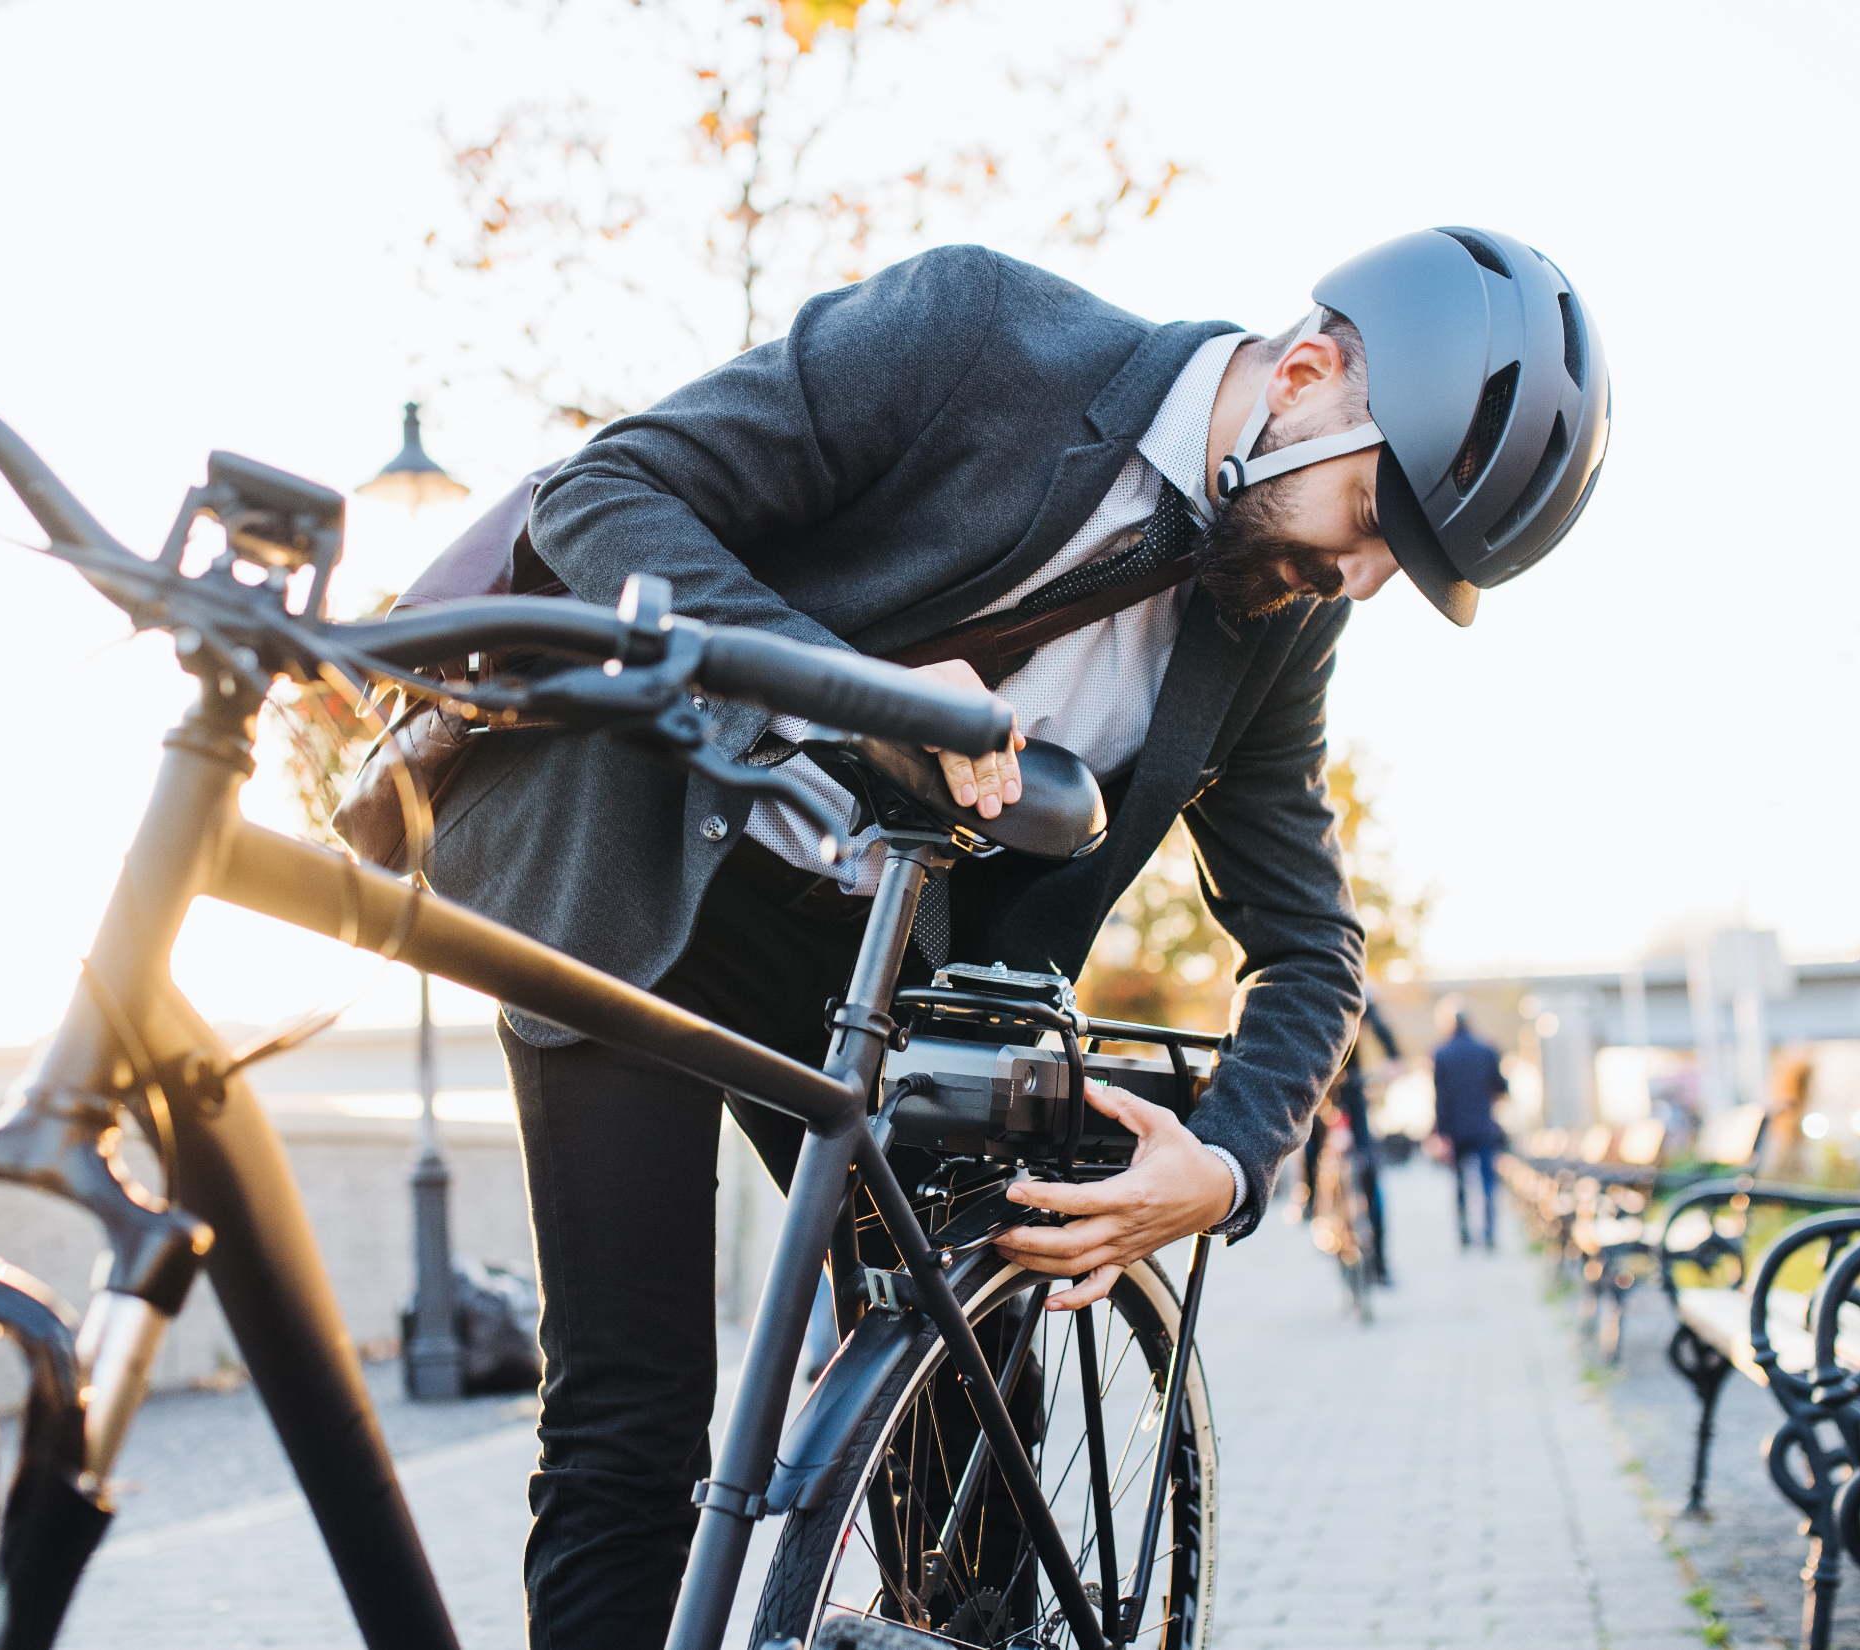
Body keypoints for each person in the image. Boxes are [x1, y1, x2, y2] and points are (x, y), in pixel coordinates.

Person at [423, 231, 1609, 1645]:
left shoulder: (1279, 620)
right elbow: (602, 499)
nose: (1359, 580)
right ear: (1306, 375)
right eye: (1369, 521)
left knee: (973, 1416)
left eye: (1396, 567)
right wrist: (850, 686)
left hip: (887, 965)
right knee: (630, 1414)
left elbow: (1310, 943)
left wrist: (1222, 1164)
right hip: (635, 870)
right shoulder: (974, 334)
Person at [1300, 998, 1397, 1284]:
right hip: (1316, 1089)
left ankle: (1378, 1259)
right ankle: (1311, 1201)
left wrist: (1393, 1060)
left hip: (1350, 1087)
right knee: (1311, 1145)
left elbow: (1382, 1031)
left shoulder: (1360, 993)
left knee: (1368, 1169)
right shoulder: (1301, 983)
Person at [1430, 1001, 1511, 1249]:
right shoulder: (1487, 1050)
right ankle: (1488, 1233)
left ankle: (1464, 1233)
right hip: (1483, 1127)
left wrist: (1440, 1133)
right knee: (1487, 1181)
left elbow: (1440, 1098)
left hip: (1455, 1130)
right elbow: (1501, 1086)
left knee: (1460, 1183)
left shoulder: (1441, 1053)